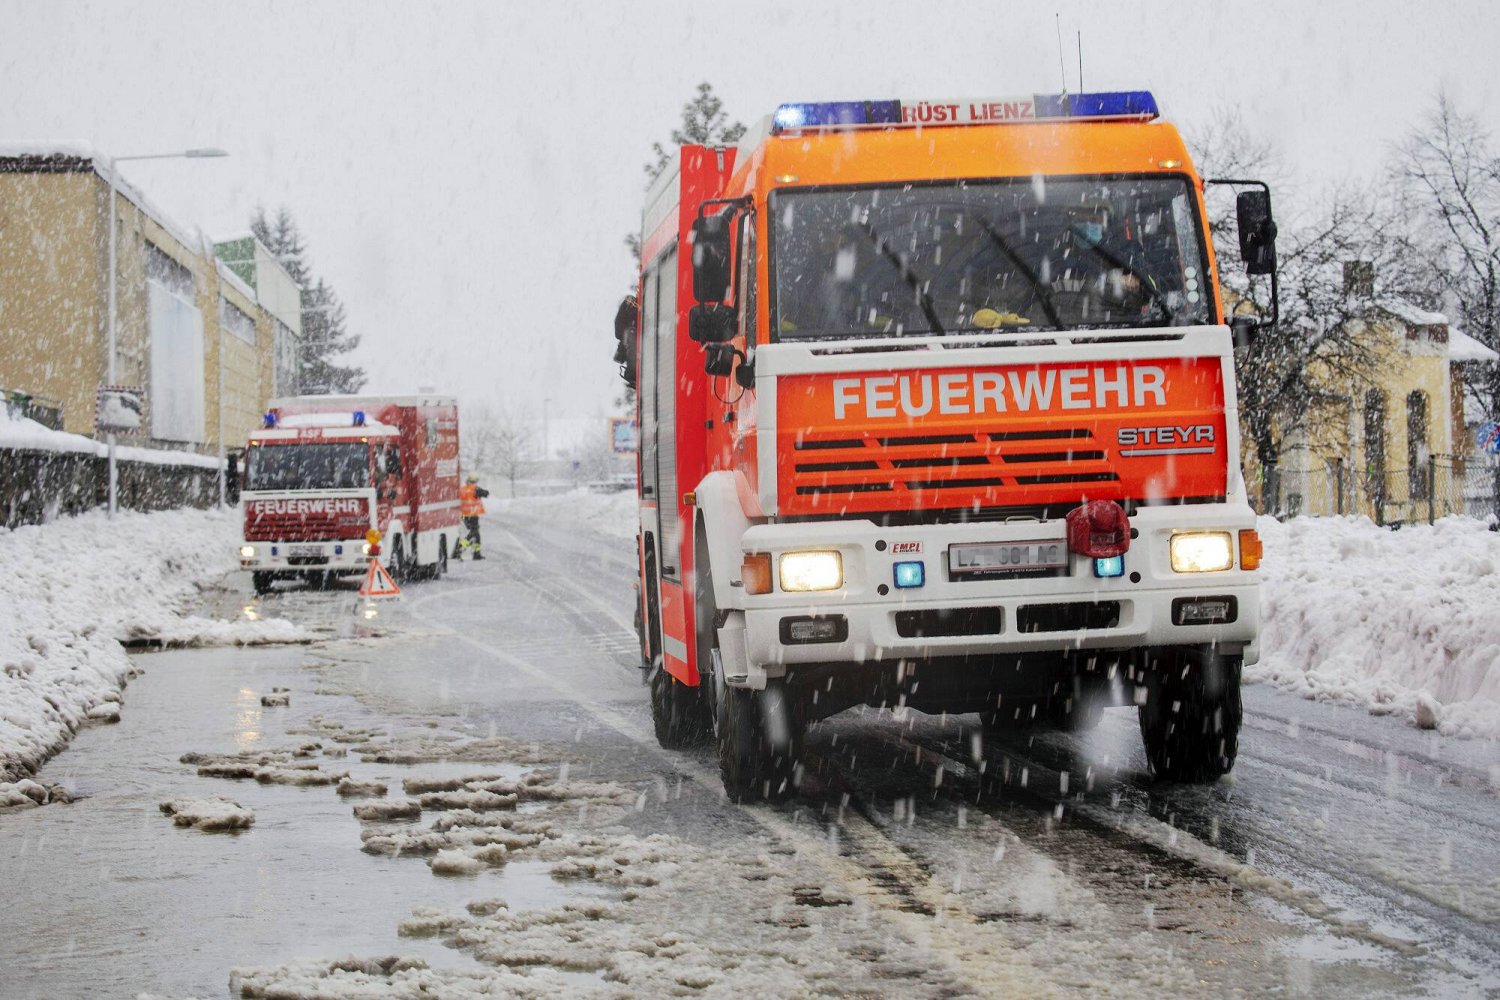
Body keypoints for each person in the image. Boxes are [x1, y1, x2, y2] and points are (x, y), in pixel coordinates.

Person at [457, 473, 490, 560]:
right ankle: (460, 548)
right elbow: (486, 493)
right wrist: (484, 491)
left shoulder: (462, 489)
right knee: (474, 533)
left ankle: (476, 553)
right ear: (474, 481)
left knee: (476, 534)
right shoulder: (475, 489)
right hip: (472, 515)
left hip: (464, 515)